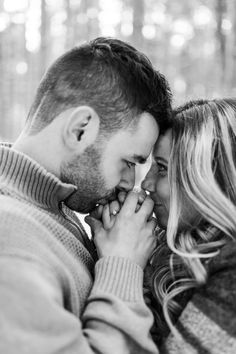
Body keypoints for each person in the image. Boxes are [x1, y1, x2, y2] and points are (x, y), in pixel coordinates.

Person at [0, 37, 172, 353]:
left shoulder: (53, 208)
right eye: (129, 162)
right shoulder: (10, 242)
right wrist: (123, 264)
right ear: (81, 128)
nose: (128, 183)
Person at [141, 98, 236, 353]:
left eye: (161, 169)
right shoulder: (167, 247)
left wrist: (122, 265)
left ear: (208, 178)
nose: (145, 184)